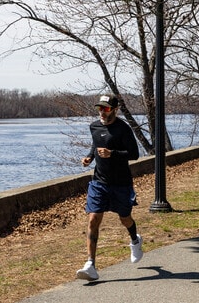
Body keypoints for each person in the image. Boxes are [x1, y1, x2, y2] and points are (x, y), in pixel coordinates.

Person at [76, 94, 143, 281]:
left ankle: (135, 240)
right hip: (99, 182)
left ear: (115, 110)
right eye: (100, 108)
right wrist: (90, 157)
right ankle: (90, 265)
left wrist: (112, 153)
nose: (102, 112)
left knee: (125, 219)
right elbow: (96, 143)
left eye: (106, 109)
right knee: (93, 219)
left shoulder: (123, 129)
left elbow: (134, 154)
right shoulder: (94, 126)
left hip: (121, 183)